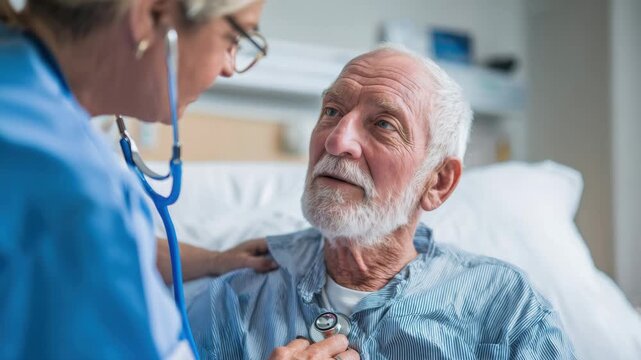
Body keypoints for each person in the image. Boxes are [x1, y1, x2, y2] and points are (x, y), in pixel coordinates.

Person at [0, 0, 355, 358]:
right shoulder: (79, 196)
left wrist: (211, 260)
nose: (230, 67)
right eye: (234, 36)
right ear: (150, 15)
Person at [187, 46, 577, 359]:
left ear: (438, 182)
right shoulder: (235, 300)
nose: (337, 140)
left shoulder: (506, 309)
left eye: (384, 124)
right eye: (332, 111)